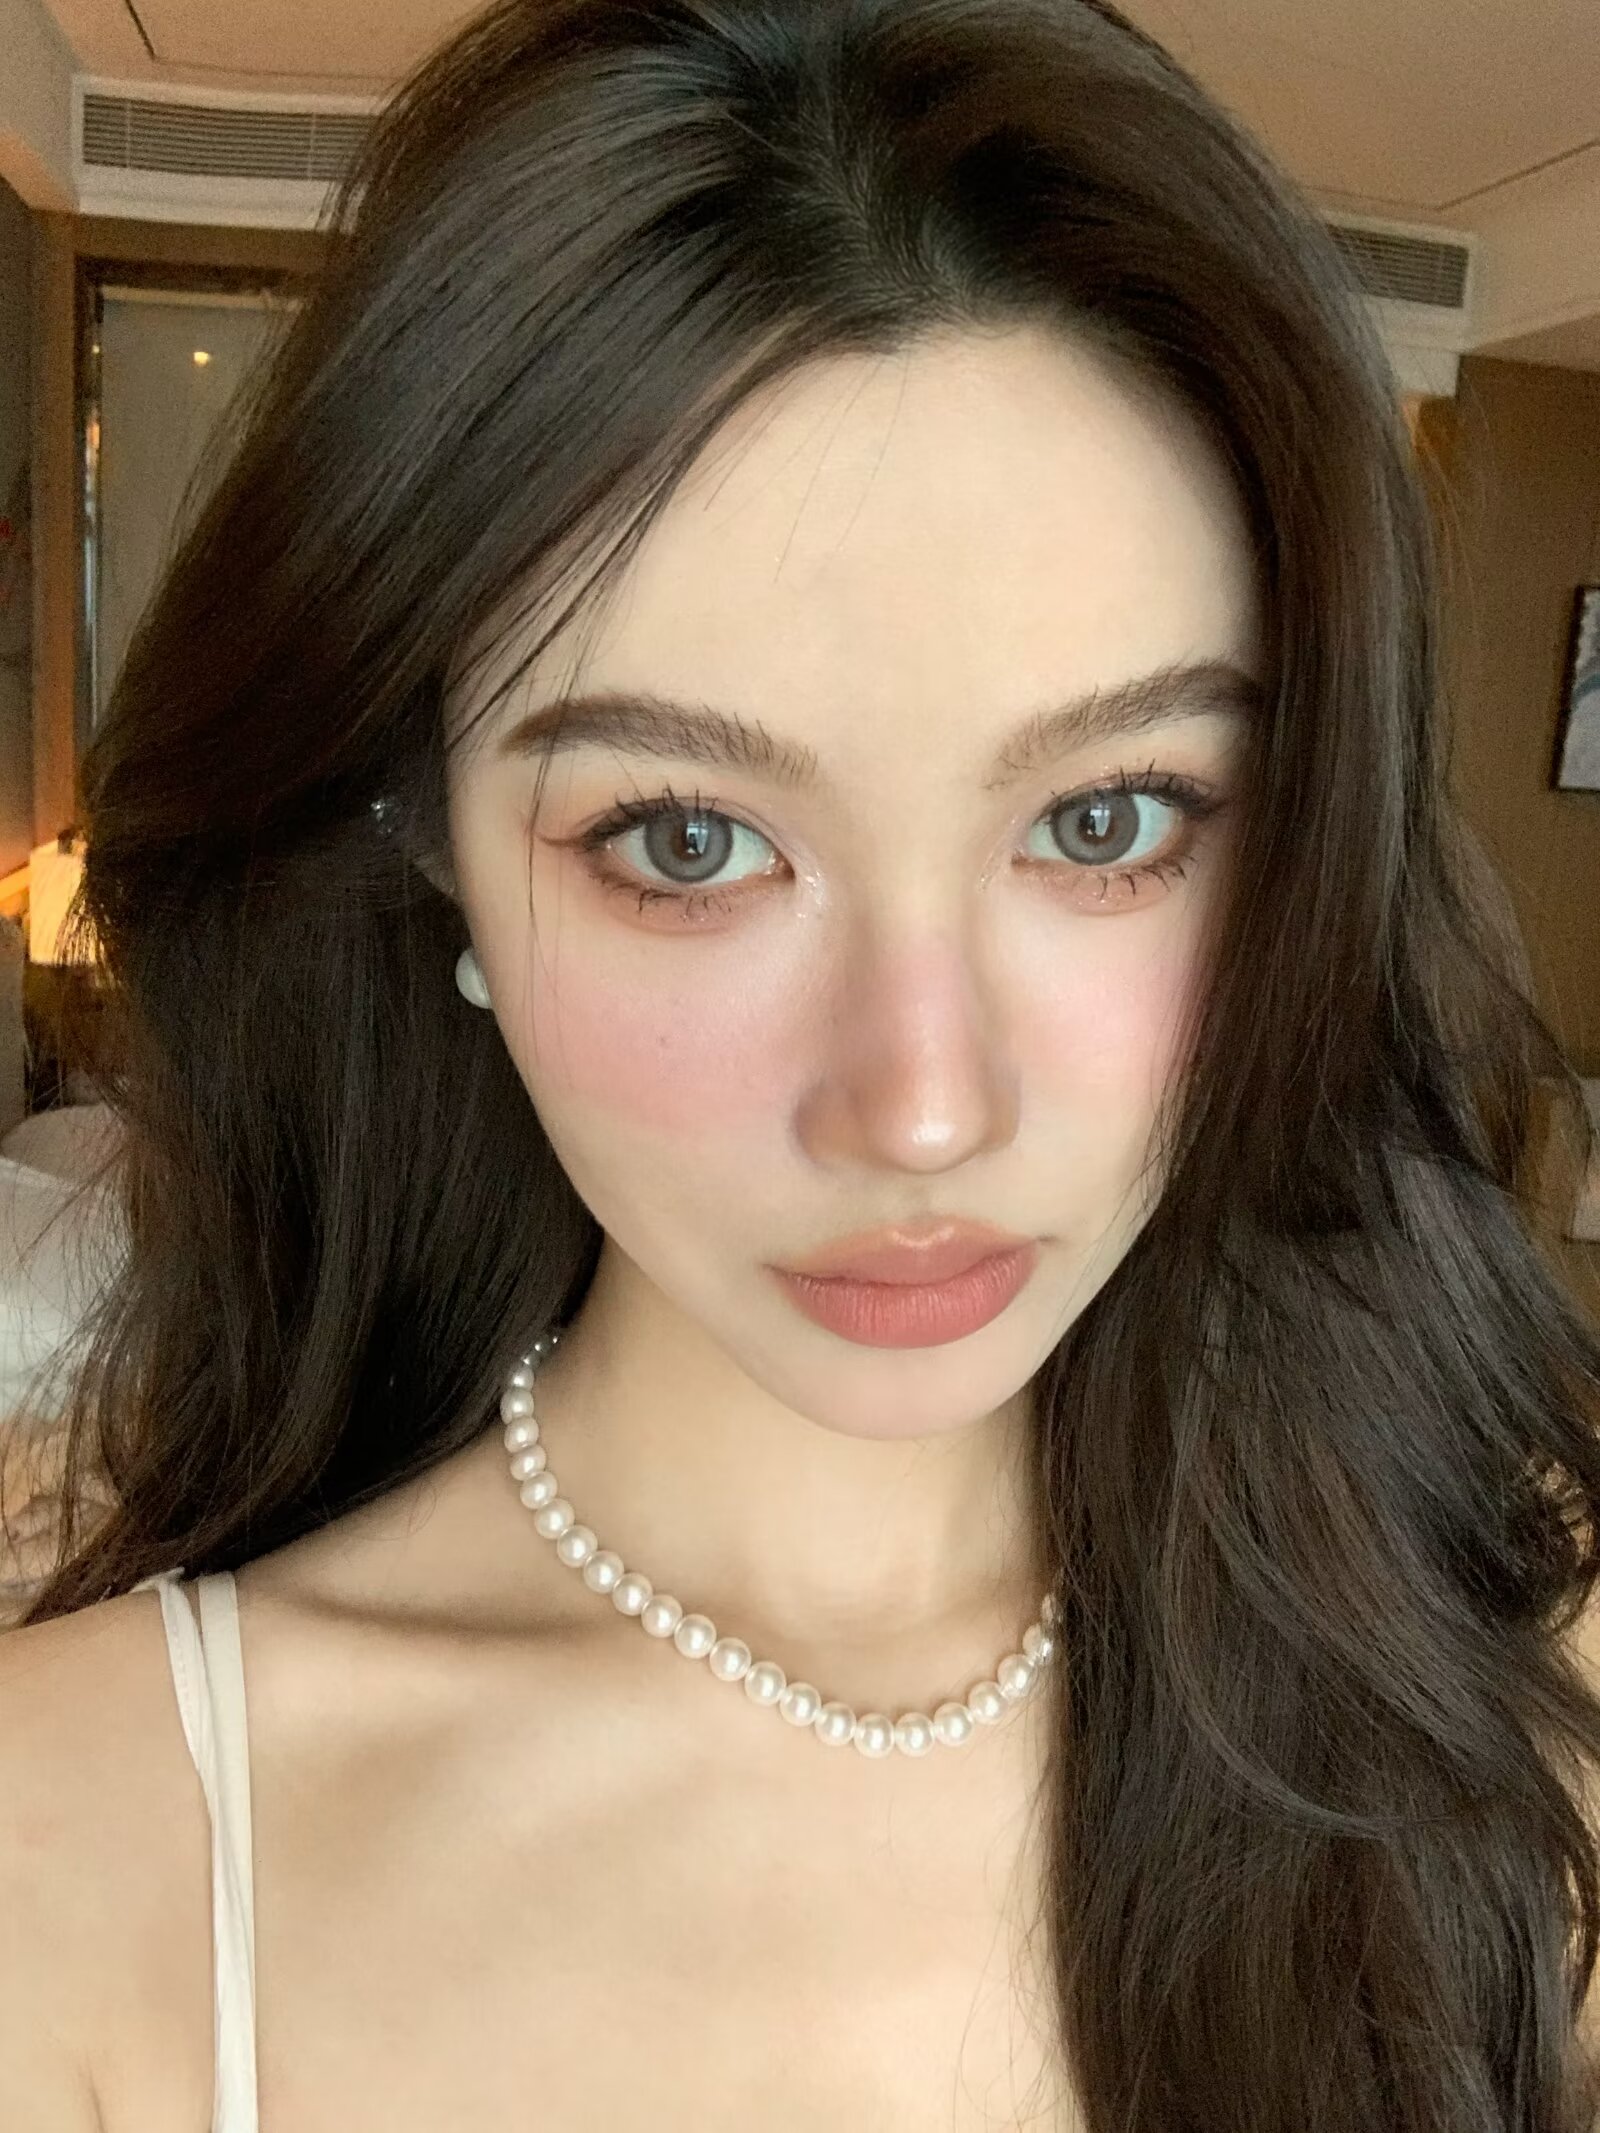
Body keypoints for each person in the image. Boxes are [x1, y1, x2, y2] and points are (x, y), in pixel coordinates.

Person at [4, 0, 1600, 2125]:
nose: (923, 1105)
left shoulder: (1513, 1686)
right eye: (688, 842)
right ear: (435, 847)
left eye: (1106, 818)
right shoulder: (79, 1853)